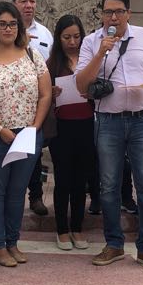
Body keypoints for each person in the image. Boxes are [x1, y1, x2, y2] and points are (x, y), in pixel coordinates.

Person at [76, 0, 143, 272]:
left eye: (118, 11)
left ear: (129, 13)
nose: (113, 17)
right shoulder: (92, 41)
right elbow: (81, 84)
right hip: (108, 121)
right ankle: (114, 244)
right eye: (107, 12)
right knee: (108, 186)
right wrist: (101, 52)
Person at [0, 2, 51, 267]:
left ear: (19, 26)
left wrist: (35, 127)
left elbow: (45, 93)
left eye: (13, 23)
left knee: (17, 191)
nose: (8, 28)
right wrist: (0, 129)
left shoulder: (31, 55)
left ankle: (13, 241)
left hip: (28, 134)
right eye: (2, 23)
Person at [46, 15, 94, 251]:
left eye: (76, 36)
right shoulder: (51, 63)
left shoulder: (88, 60)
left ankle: (77, 227)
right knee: (63, 179)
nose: (72, 42)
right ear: (59, 38)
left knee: (80, 179)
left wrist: (93, 93)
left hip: (87, 124)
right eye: (67, 37)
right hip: (62, 128)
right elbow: (41, 96)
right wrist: (51, 93)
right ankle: (62, 230)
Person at [12, 0, 52, 216]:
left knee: (35, 151)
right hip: (11, 105)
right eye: (23, 1)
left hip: (40, 103)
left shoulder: (45, 33)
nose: (28, 6)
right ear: (14, 3)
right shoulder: (2, 31)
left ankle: (35, 196)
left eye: (32, 1)